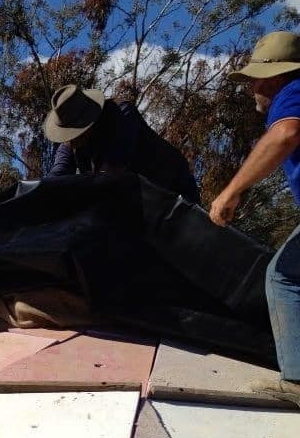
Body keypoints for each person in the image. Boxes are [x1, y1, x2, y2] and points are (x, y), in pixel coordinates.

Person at [209, 31, 300, 401]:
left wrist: (232, 190)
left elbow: (285, 135)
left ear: (275, 77)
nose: (252, 89)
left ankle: (296, 381)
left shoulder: (292, 92)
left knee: (284, 277)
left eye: (255, 80)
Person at [43, 84, 200, 203]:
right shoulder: (71, 144)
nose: (71, 140)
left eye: (75, 132)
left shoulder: (122, 114)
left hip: (174, 193)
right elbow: (56, 178)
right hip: (135, 204)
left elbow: (110, 175)